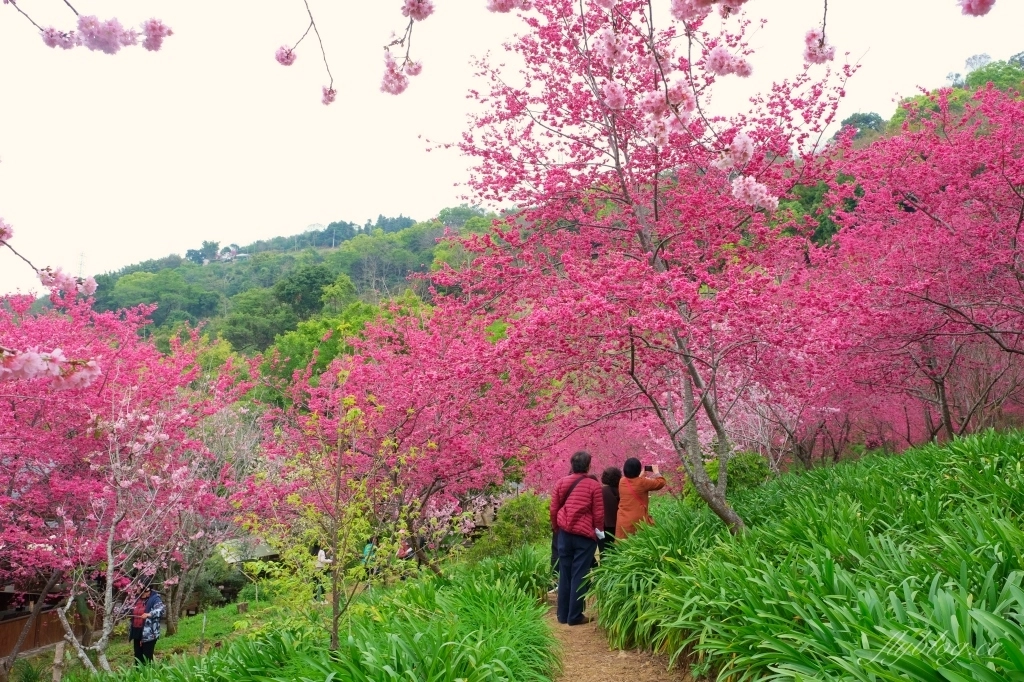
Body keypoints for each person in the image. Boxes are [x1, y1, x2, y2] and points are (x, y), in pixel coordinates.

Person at [550, 450, 604, 626]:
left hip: (564, 534)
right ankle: (575, 616)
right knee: (580, 574)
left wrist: (557, 528)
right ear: (588, 466)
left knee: (565, 573)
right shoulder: (593, 485)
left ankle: (562, 615)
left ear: (572, 465)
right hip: (584, 536)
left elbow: (553, 509)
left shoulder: (561, 483)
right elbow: (598, 513)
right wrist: (599, 532)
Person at [616, 457, 666, 538]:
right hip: (637, 521)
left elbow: (633, 483)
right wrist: (656, 472)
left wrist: (640, 475)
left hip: (623, 520)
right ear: (638, 470)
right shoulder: (642, 482)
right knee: (637, 541)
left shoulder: (622, 481)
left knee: (623, 543)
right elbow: (661, 482)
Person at [127, 582, 165, 666]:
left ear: (147, 590)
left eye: (142, 592)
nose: (141, 594)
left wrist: (149, 614)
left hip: (149, 633)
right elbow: (128, 608)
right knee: (138, 656)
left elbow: (161, 610)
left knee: (147, 657)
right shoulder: (136, 598)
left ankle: (148, 672)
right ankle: (138, 672)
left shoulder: (155, 598)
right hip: (136, 631)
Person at [599, 466, 621, 555]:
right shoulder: (620, 491)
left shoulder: (600, 491)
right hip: (618, 524)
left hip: (604, 525)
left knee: (604, 551)